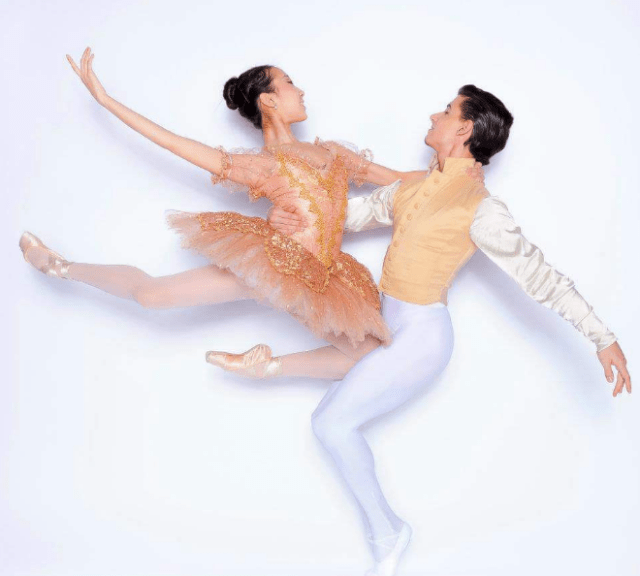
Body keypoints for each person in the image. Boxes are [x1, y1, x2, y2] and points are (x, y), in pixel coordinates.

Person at [207, 85, 632, 576]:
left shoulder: (480, 207)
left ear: (464, 129)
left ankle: (388, 532)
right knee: (335, 402)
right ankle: (270, 366)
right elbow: (341, 220)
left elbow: (540, 276)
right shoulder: (413, 189)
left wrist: (602, 337)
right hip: (387, 326)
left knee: (331, 423)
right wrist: (287, 217)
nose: (434, 115)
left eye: (447, 111)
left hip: (423, 338)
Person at [21, 48, 479, 356]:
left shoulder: (334, 153)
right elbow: (176, 144)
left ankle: (266, 366)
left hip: (323, 278)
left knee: (367, 354)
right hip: (275, 264)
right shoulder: (263, 165)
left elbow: (402, 180)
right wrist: (106, 101)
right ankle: (60, 266)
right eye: (289, 83)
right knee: (153, 296)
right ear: (269, 100)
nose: (301, 91)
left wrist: (463, 163)